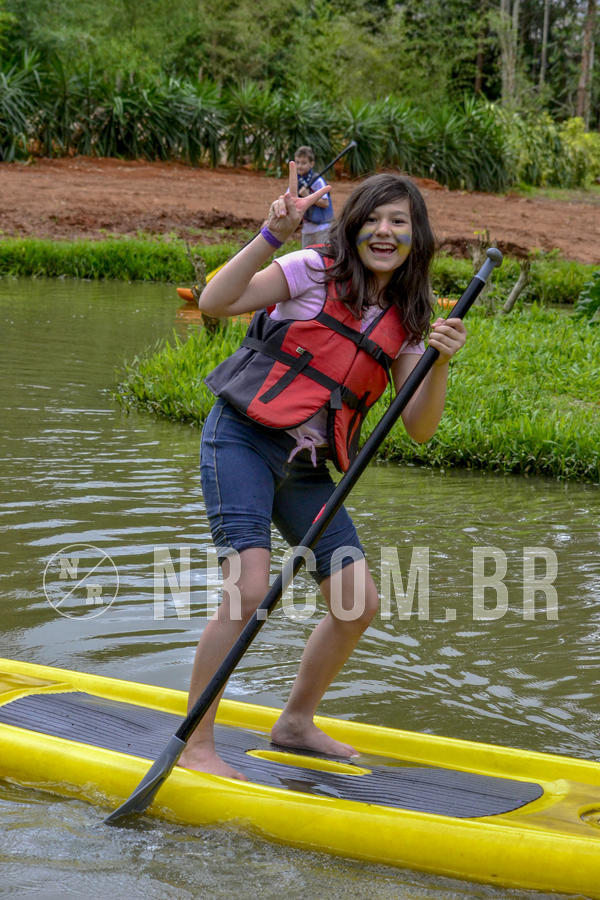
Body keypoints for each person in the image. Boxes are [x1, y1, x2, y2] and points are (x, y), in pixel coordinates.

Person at [178, 164, 467, 779]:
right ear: (353, 227)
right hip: (243, 443)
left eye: (400, 221)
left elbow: (418, 426)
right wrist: (271, 233)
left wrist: (438, 361)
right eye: (373, 219)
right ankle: (198, 745)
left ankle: (295, 723)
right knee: (249, 589)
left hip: (305, 470)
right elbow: (215, 301)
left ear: (418, 237)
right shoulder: (311, 270)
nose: (385, 231)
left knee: (356, 602)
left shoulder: (407, 315)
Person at [294, 145, 334, 248]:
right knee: (305, 257)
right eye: (297, 162)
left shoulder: (318, 181)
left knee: (321, 257)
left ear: (311, 164)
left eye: (303, 163)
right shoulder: (296, 180)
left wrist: (308, 196)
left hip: (322, 228)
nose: (299, 166)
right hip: (307, 228)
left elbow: (325, 203)